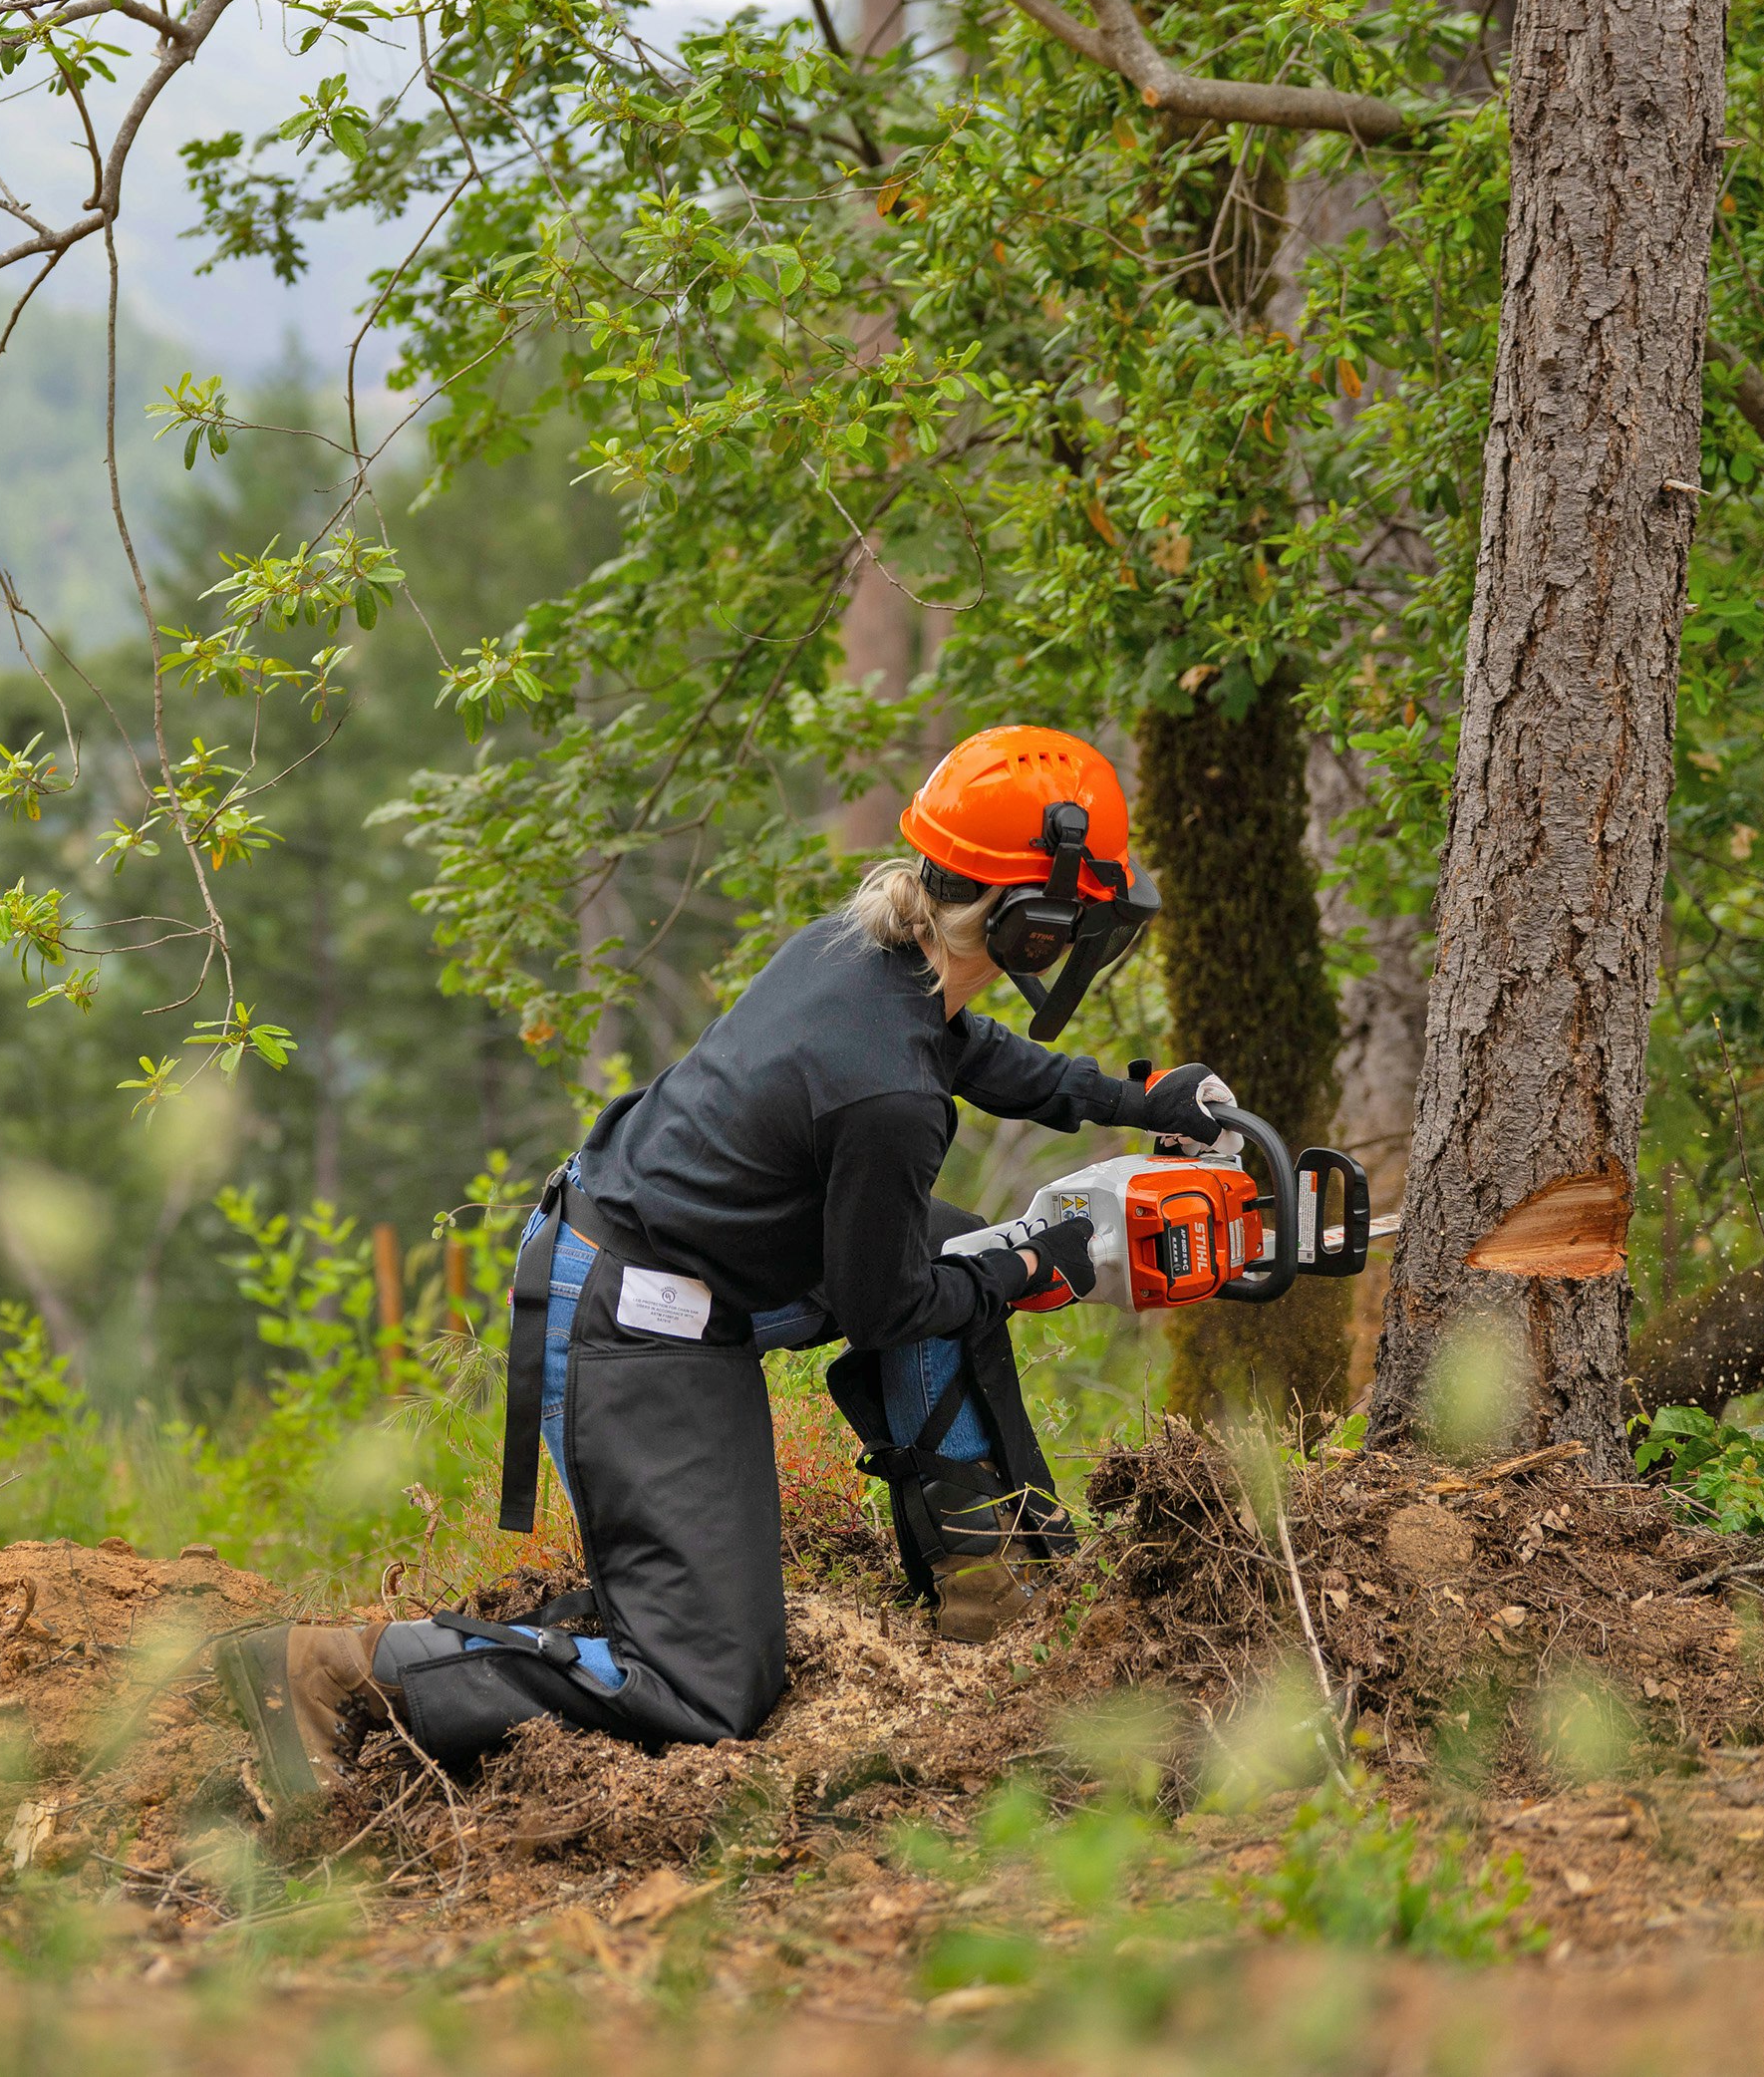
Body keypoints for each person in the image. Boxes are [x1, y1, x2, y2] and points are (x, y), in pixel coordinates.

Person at [222, 726, 1232, 1792]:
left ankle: (977, 1579)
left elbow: (967, 1049)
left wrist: (1134, 1098)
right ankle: (337, 1664)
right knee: (708, 1685)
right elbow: (885, 1307)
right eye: (1078, 918)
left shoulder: (868, 951)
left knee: (954, 1245)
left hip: (666, 1267)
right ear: (1030, 926)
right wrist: (1032, 1266)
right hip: (632, 1323)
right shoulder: (888, 1093)